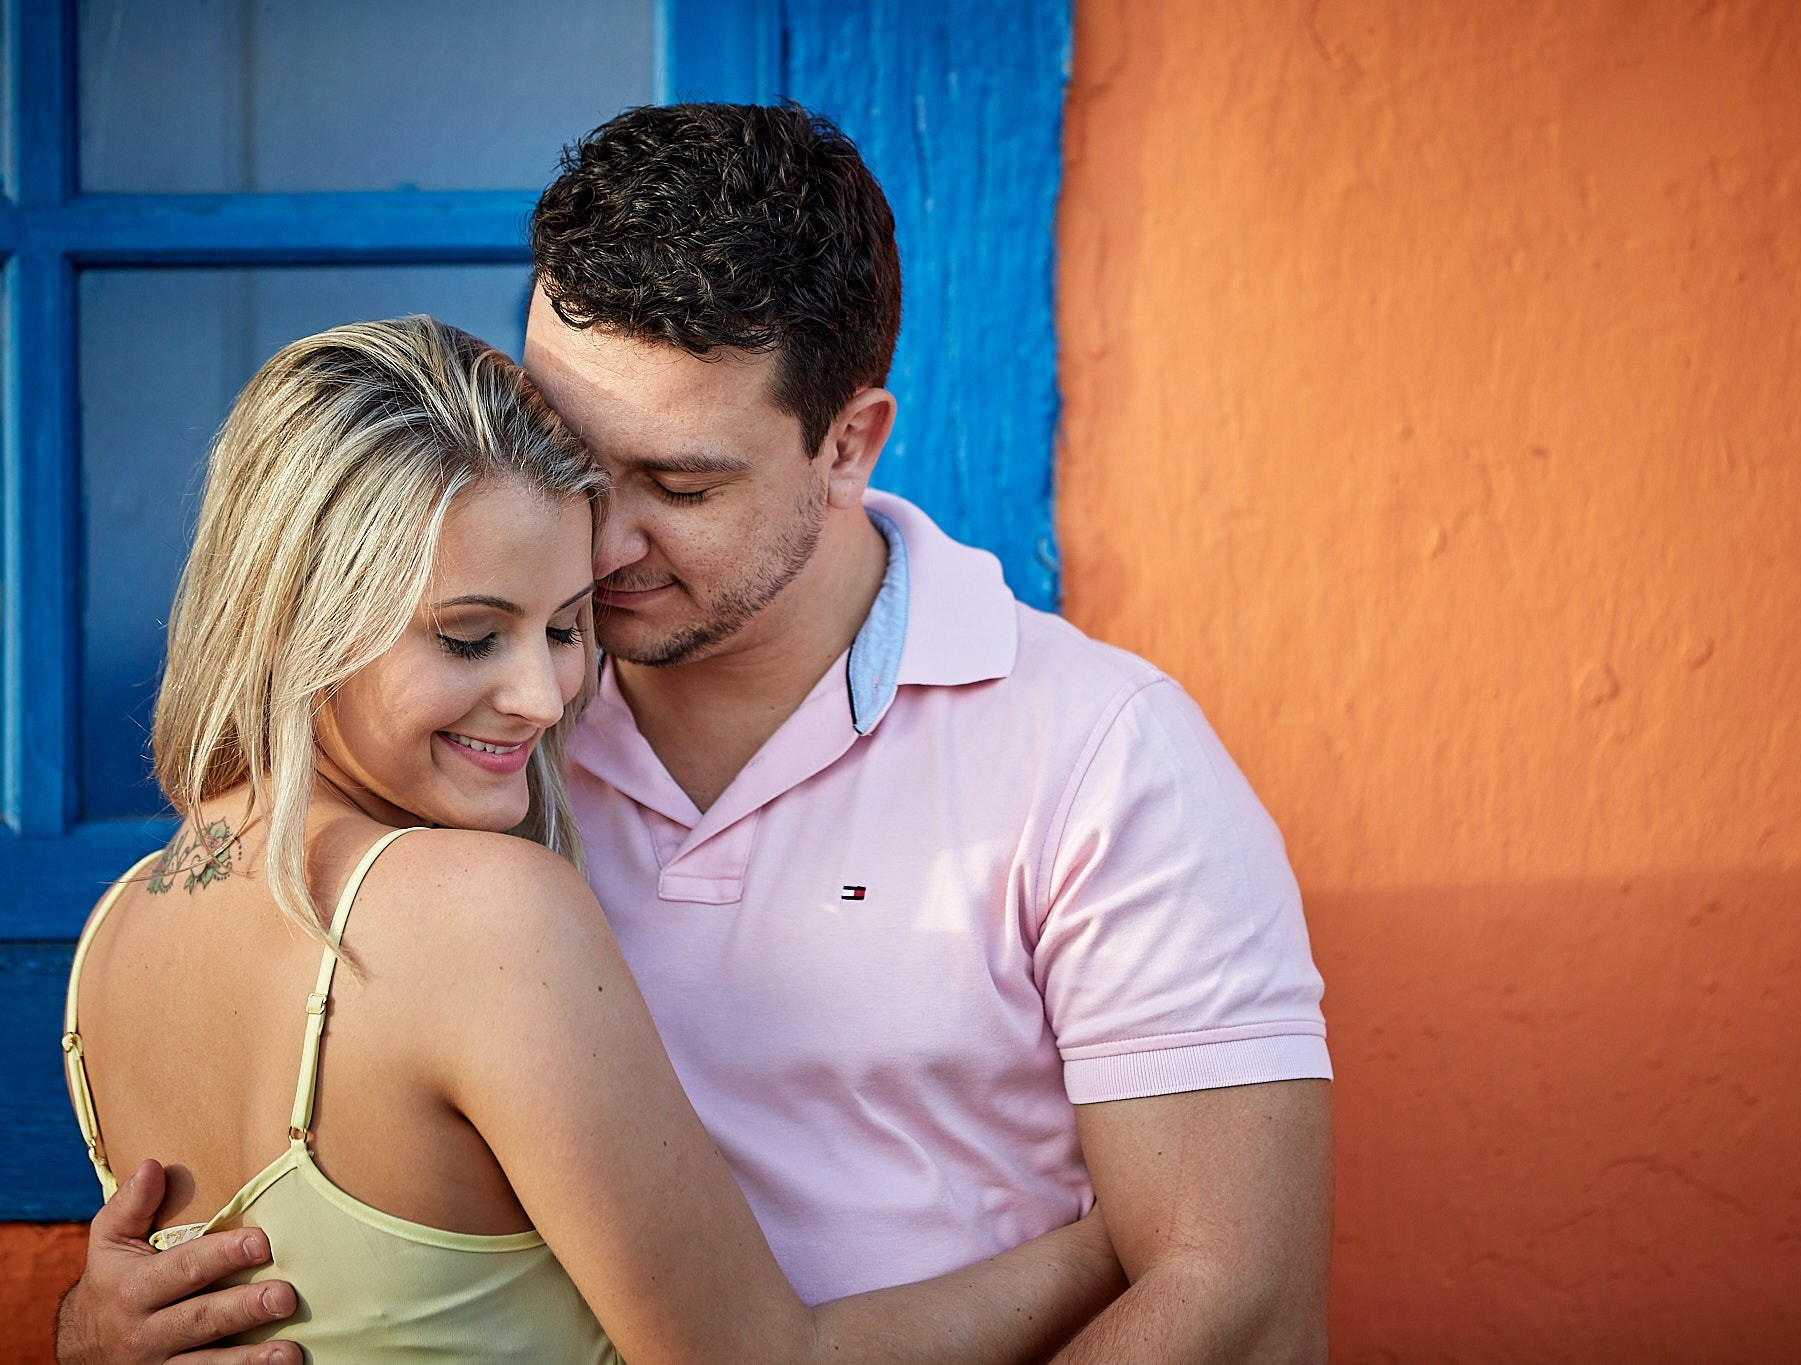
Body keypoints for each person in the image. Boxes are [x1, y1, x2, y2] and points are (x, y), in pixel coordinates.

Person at [61, 104, 1333, 1363]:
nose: (602, 543)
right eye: (569, 453)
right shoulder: (473, 753)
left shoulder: (1103, 754)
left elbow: (1235, 1307)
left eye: (679, 486)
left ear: (848, 443)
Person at [58, 315, 1121, 1363]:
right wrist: (1113, 1245)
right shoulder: (483, 910)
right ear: (295, 620)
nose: (541, 696)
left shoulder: (117, 931)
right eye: (470, 637)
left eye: (567, 628)